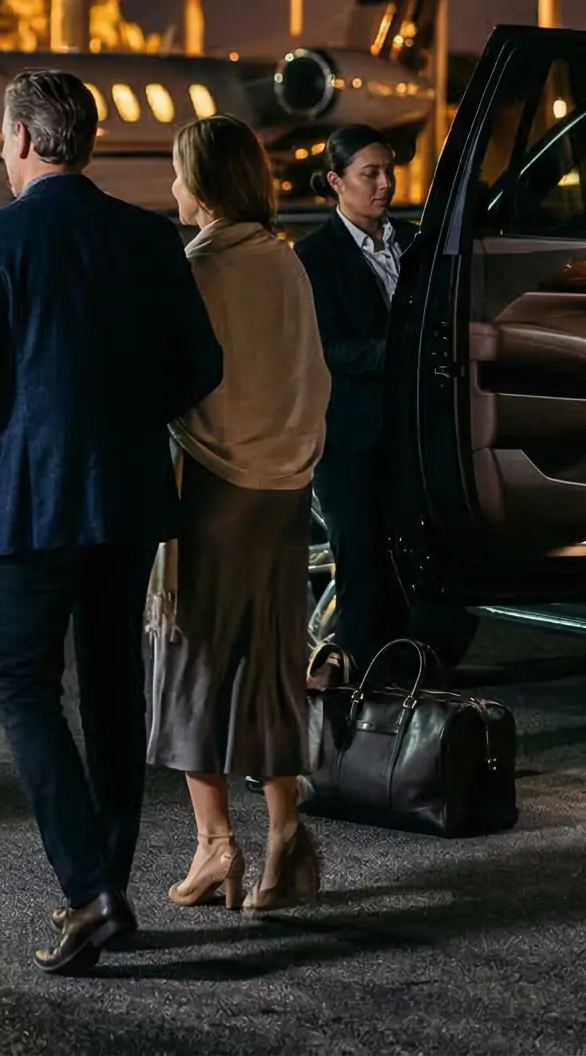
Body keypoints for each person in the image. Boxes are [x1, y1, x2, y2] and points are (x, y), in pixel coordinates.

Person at [0, 70, 224, 976]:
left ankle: (90, 889)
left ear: (19, 140)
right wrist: (126, 419)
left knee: (23, 690)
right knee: (113, 693)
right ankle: (108, 886)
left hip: (30, 503)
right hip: (126, 498)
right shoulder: (146, 235)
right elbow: (199, 366)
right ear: (80, 143)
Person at [146, 116, 330, 912]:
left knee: (191, 661)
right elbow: (313, 378)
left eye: (181, 176)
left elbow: (168, 380)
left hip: (212, 488)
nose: (173, 191)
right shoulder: (287, 268)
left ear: (208, 186)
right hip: (285, 490)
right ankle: (287, 834)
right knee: (270, 662)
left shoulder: (195, 269)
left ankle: (216, 843)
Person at [293, 124, 475, 671]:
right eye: (368, 173)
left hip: (415, 433)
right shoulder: (315, 255)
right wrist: (406, 351)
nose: (384, 184)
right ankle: (358, 699)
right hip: (352, 437)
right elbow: (331, 347)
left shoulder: (414, 242)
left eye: (388, 171)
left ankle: (405, 684)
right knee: (361, 570)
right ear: (335, 181)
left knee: (421, 569)